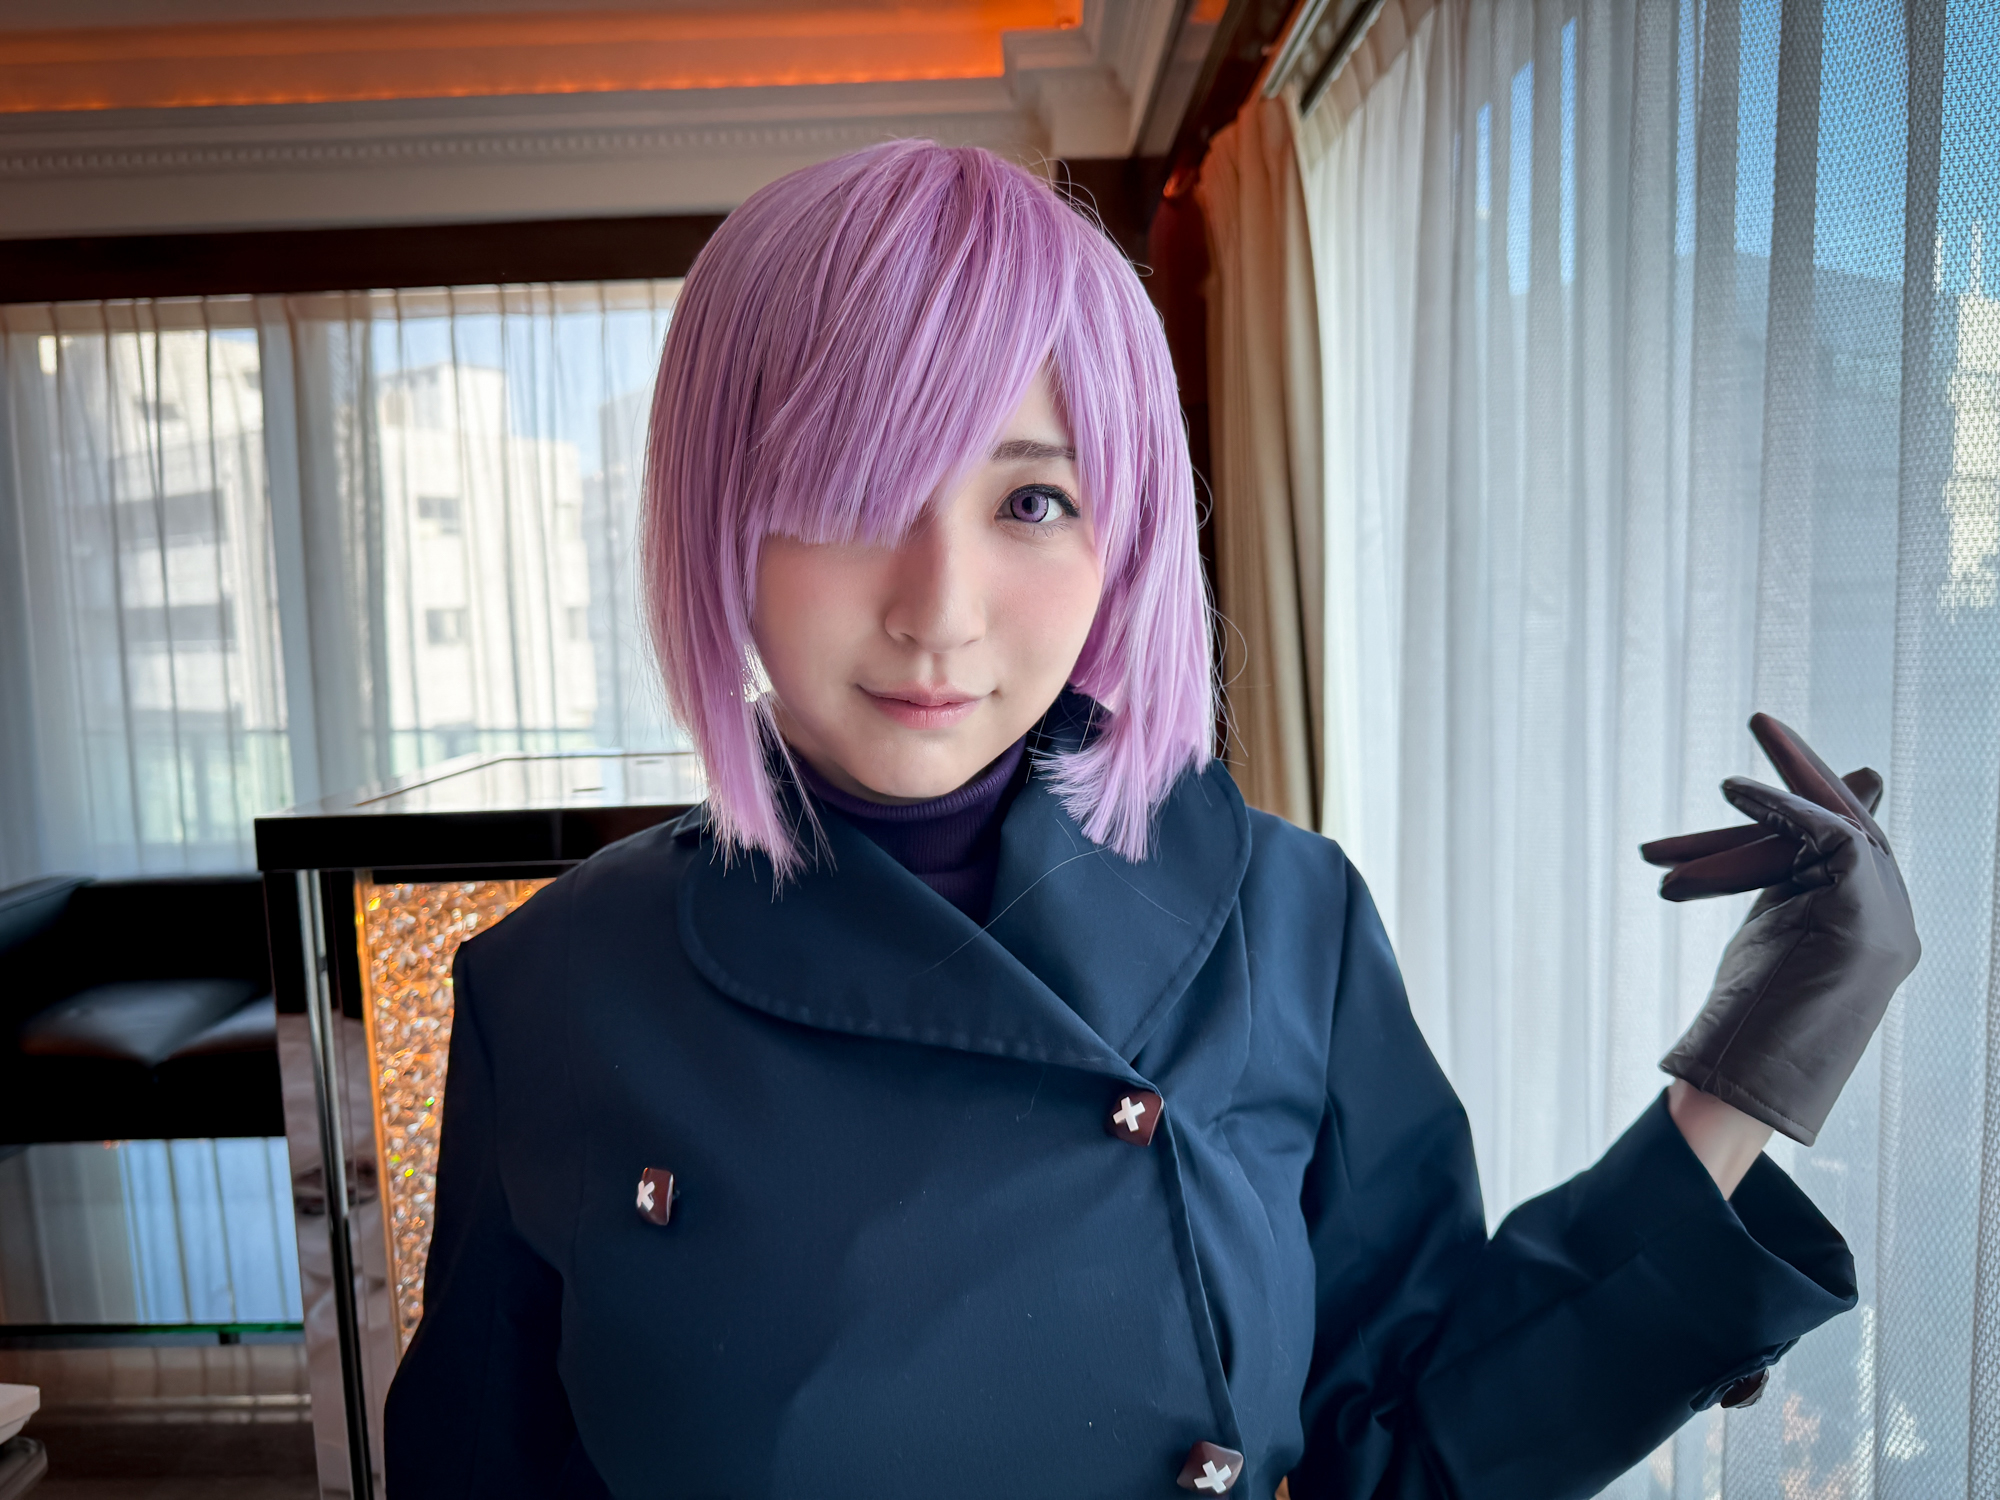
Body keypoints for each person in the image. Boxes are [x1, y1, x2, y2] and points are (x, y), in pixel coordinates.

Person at [383, 141, 1918, 1499]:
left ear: (1121, 531)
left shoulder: (1285, 917)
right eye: (851, 493)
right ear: (720, 516)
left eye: (1030, 501)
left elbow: (1414, 1449)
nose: (939, 611)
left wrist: (1749, 1070)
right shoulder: (558, 986)